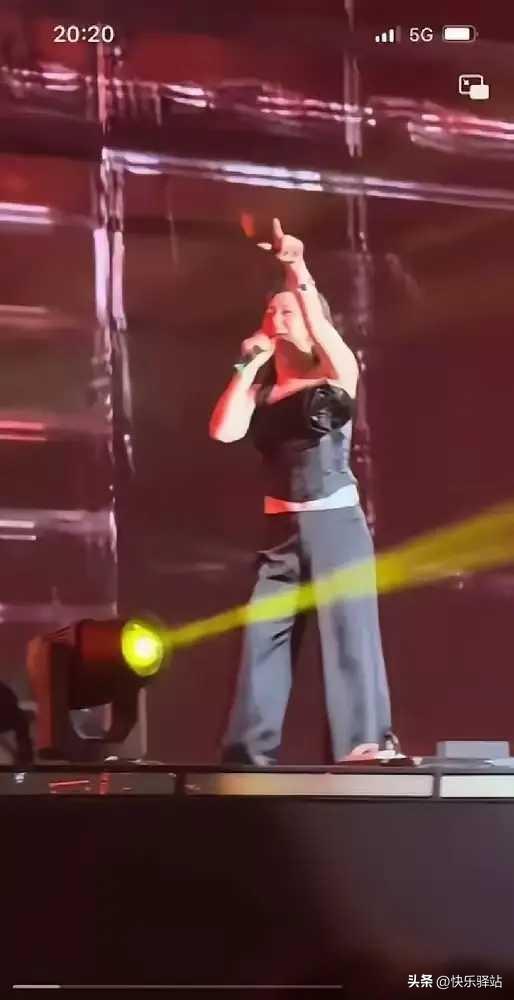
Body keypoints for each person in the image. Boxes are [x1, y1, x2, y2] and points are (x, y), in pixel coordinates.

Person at [209, 219, 395, 765]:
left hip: (336, 525)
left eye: (287, 310)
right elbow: (224, 430)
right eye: (271, 311)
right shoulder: (264, 389)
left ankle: (363, 744)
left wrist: (296, 267)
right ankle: (247, 755)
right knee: (261, 636)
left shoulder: (335, 373)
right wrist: (247, 365)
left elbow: (318, 322)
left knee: (349, 637)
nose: (277, 316)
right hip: (280, 534)